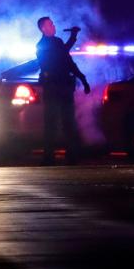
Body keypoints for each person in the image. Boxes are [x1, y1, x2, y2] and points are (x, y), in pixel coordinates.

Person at [36, 16, 90, 164]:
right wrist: (73, 36)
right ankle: (48, 158)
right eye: (50, 24)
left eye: (53, 23)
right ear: (43, 28)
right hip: (53, 88)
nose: (54, 26)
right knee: (51, 123)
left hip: (64, 87)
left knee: (69, 122)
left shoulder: (57, 41)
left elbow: (68, 61)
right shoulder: (41, 45)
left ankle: (72, 155)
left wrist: (82, 78)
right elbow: (60, 55)